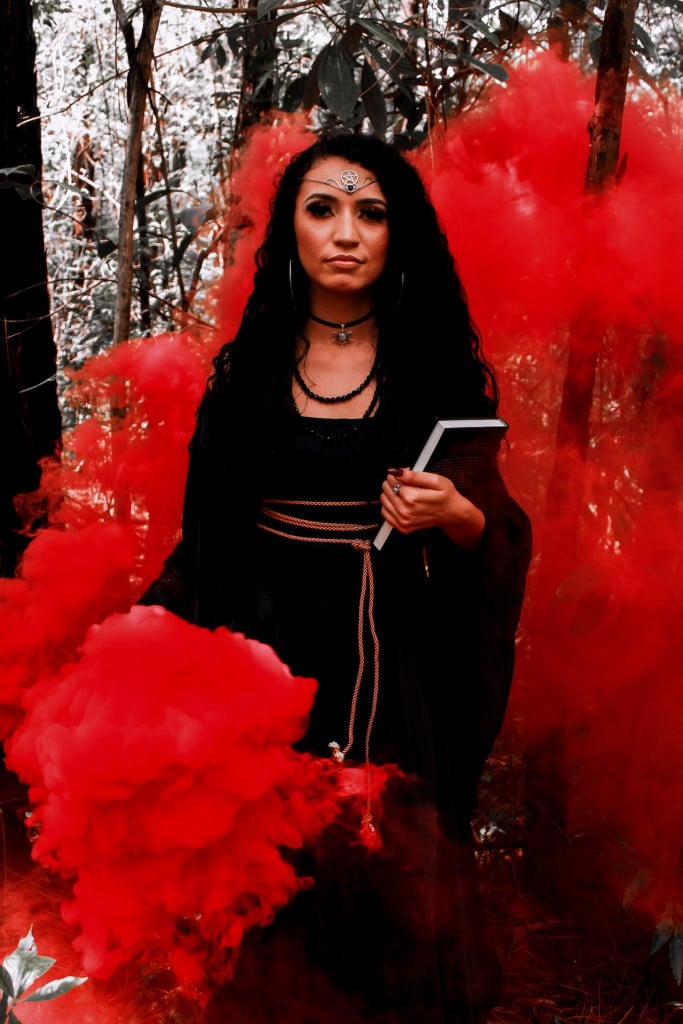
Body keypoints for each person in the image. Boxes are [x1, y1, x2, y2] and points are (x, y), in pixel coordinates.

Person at [142, 130, 531, 1023]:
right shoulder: (240, 386)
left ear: (399, 237)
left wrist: (456, 518)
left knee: (393, 886)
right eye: (322, 209)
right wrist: (143, 642)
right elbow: (201, 544)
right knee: (277, 893)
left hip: (395, 670)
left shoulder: (434, 380)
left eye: (370, 211)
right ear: (291, 234)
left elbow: (495, 527)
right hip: (266, 672)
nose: (346, 231)